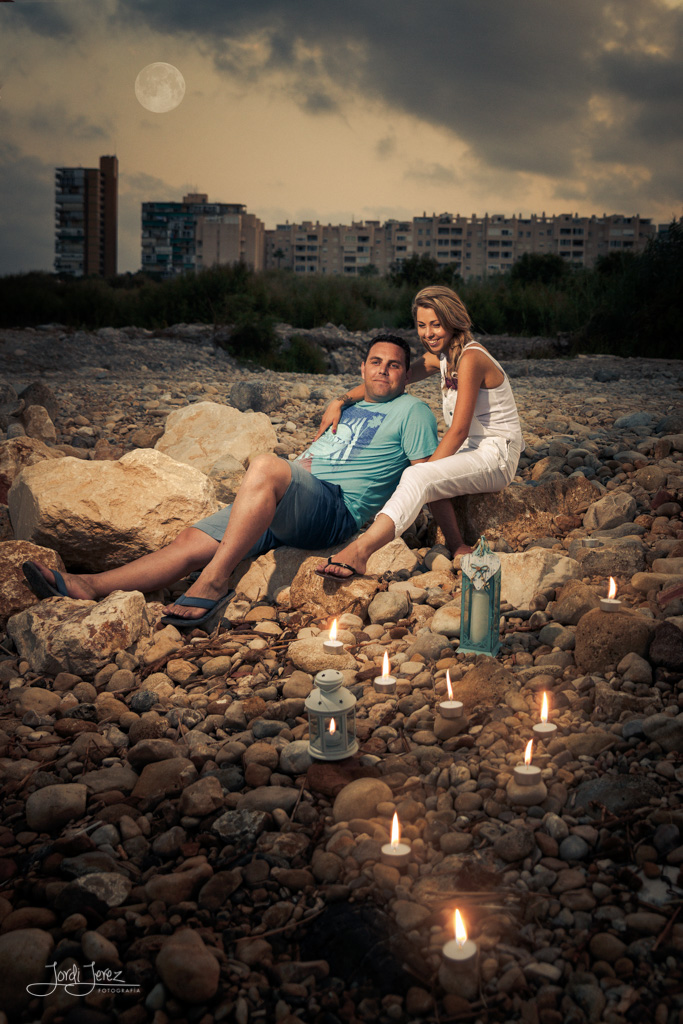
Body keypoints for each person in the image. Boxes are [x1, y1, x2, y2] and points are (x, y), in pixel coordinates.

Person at [22, 336, 438, 632]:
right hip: (285, 501)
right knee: (189, 541)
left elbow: (425, 479)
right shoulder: (351, 404)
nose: (383, 370)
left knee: (266, 465)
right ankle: (89, 585)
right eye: (375, 362)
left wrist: (451, 541)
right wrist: (341, 400)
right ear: (363, 368)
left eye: (394, 365)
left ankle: (215, 580)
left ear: (406, 373)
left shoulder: (413, 412)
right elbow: (353, 399)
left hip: (333, 511)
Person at [314, 285, 523, 581]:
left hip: (497, 454)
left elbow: (459, 430)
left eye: (436, 324)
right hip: (473, 449)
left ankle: (361, 551)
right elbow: (393, 380)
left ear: (453, 321)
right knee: (424, 470)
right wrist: (341, 400)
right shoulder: (440, 358)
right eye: (422, 325)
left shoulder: (471, 358)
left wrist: (423, 473)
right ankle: (457, 545)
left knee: (420, 474)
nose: (428, 333)